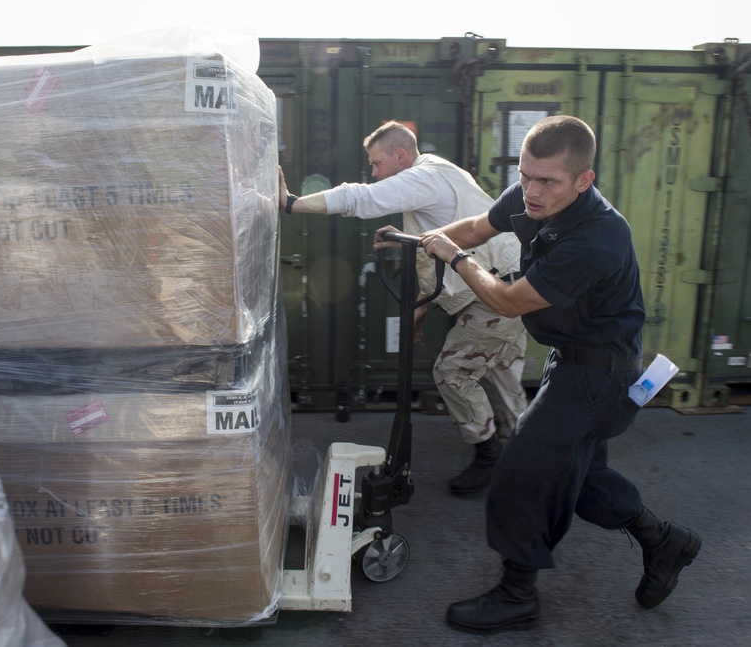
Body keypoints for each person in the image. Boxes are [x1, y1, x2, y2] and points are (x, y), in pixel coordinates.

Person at [385, 115, 700, 633]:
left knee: (522, 473)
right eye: (525, 175)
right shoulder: (529, 196)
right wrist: (422, 239)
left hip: (601, 377)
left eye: (547, 181)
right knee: (577, 477)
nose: (531, 190)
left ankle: (517, 594)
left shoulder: (598, 238)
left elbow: (508, 301)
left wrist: (456, 257)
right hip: (571, 361)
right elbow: (477, 226)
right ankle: (663, 540)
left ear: (583, 180)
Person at [279, 121, 528, 494]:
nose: (374, 172)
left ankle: (490, 456)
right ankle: (530, 456)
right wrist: (403, 242)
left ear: (401, 155)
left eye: (378, 163)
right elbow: (444, 234)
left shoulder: (424, 177)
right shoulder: (440, 176)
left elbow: (360, 198)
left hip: (496, 293)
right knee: (504, 380)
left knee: (453, 371)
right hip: (507, 282)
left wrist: (292, 204)